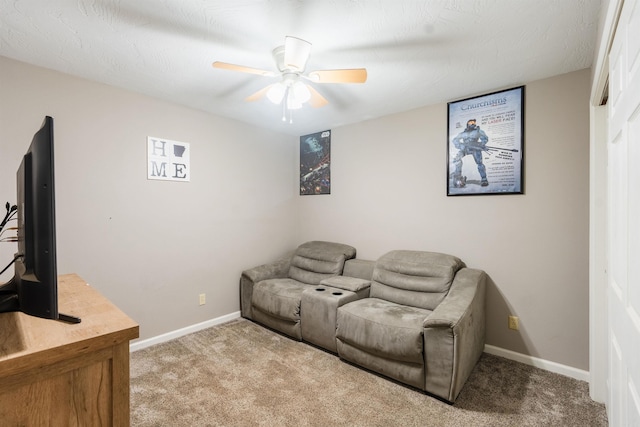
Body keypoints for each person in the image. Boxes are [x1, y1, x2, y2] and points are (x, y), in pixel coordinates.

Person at [451, 119, 489, 187]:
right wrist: (460, 145)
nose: (472, 123)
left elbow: (485, 139)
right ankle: (458, 177)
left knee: (479, 163)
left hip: (475, 148)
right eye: (471, 122)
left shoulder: (478, 131)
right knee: (456, 159)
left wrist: (480, 144)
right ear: (467, 124)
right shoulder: (463, 133)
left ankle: (484, 179)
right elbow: (455, 140)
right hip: (465, 149)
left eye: (474, 122)